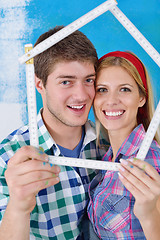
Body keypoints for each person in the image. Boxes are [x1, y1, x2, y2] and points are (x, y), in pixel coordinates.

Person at [0, 26, 109, 240]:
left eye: (88, 80)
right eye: (66, 82)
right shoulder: (8, 157)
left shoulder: (111, 145)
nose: (81, 95)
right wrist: (19, 207)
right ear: (40, 84)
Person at [87, 51, 160, 240]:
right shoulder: (106, 156)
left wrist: (150, 215)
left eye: (125, 89)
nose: (111, 101)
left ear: (141, 98)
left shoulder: (152, 162)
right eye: (102, 89)